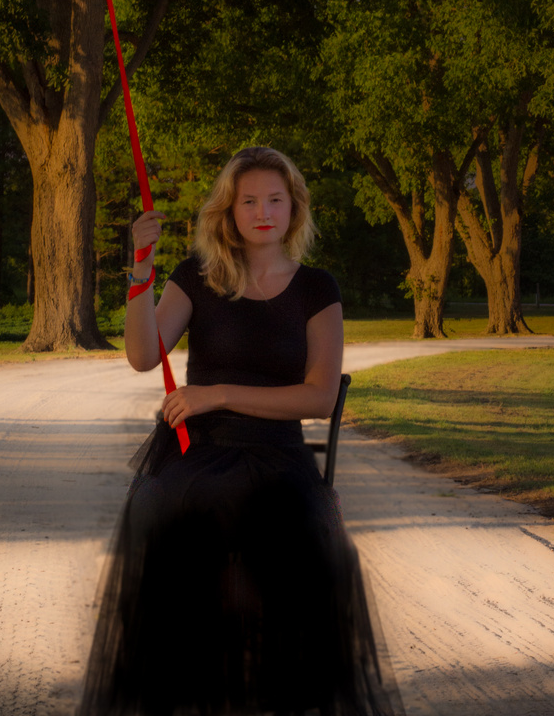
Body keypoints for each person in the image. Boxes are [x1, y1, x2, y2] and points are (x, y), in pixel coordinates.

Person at [78, 147, 389, 716]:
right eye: (249, 200)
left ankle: (268, 686)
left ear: (294, 208)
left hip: (276, 451)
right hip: (200, 449)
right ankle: (197, 683)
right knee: (170, 510)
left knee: (281, 523)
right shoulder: (196, 278)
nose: (262, 211)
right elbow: (144, 356)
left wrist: (216, 393)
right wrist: (141, 272)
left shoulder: (317, 288)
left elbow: (319, 396)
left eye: (275, 199)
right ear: (229, 209)